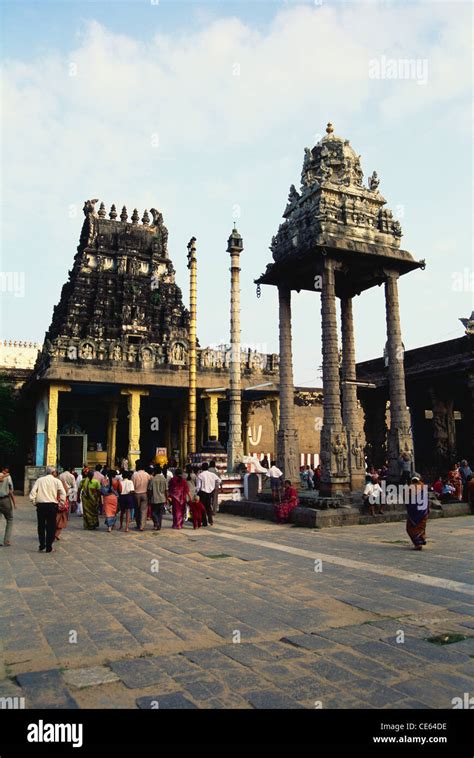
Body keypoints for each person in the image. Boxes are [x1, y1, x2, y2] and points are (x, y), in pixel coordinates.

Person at [29, 466, 66, 553]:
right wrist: (61, 503)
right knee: (51, 526)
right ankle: (49, 546)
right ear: (53, 473)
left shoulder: (39, 480)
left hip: (41, 505)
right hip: (52, 505)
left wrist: (34, 502)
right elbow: (63, 493)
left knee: (41, 526)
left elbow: (32, 493)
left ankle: (42, 545)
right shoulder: (56, 481)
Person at [405, 473, 429, 550]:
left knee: (411, 528)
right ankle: (422, 539)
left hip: (414, 513)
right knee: (421, 527)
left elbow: (407, 500)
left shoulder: (410, 488)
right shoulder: (423, 487)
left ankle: (418, 543)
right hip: (423, 512)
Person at [196, 462, 221, 526]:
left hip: (203, 492)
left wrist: (197, 493)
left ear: (202, 468)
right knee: (209, 507)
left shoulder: (200, 475)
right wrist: (215, 486)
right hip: (210, 492)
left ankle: (204, 522)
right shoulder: (212, 474)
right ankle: (210, 521)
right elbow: (219, 480)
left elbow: (198, 486)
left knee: (203, 507)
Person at [132, 461, 152, 531]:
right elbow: (150, 483)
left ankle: (138, 524)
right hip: (144, 493)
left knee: (137, 510)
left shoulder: (135, 475)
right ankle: (142, 526)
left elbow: (133, 485)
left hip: (136, 494)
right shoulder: (146, 474)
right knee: (143, 511)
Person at [0, 466, 15, 547]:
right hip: (5, 500)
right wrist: (14, 503)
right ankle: (6, 541)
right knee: (10, 519)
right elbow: (11, 489)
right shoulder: (8, 477)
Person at [149, 465, 167, 531]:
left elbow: (150, 490)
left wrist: (149, 497)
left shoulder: (153, 479)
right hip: (162, 498)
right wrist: (167, 498)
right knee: (160, 513)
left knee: (154, 512)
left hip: (155, 498)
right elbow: (166, 490)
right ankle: (159, 524)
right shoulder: (164, 479)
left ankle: (156, 523)